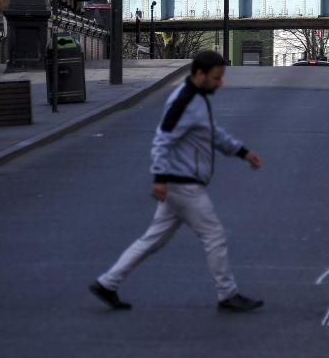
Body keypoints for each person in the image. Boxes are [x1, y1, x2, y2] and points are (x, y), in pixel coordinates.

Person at [89, 50, 264, 313]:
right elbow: (163, 139)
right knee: (214, 236)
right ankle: (228, 294)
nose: (220, 84)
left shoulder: (196, 97)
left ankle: (107, 283)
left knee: (152, 240)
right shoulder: (184, 101)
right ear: (200, 74)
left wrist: (241, 151)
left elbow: (211, 133)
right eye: (216, 78)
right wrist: (159, 178)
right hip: (183, 185)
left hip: (178, 184)